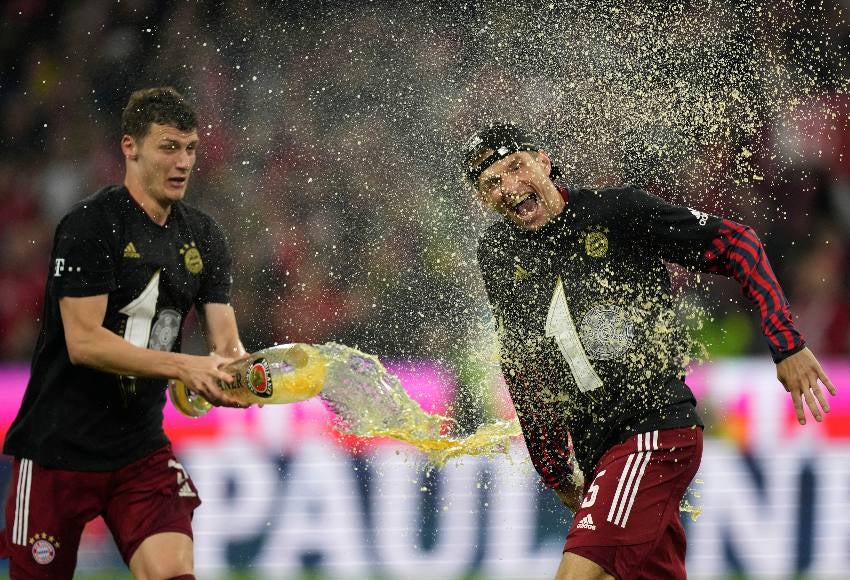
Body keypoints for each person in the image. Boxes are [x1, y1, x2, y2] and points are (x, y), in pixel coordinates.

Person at [463, 122, 837, 580]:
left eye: (516, 167)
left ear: (543, 162)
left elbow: (739, 243)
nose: (509, 187)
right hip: (599, 450)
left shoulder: (616, 211)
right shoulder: (498, 254)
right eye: (492, 183)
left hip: (654, 431)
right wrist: (554, 469)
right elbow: (521, 364)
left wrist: (787, 345)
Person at [0, 87, 248, 580]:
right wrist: (184, 365)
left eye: (191, 148)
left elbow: (226, 343)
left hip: (140, 451)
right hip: (57, 451)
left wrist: (246, 374)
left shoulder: (204, 235)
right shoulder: (91, 225)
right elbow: (85, 342)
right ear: (130, 147)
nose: (183, 162)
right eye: (169, 147)